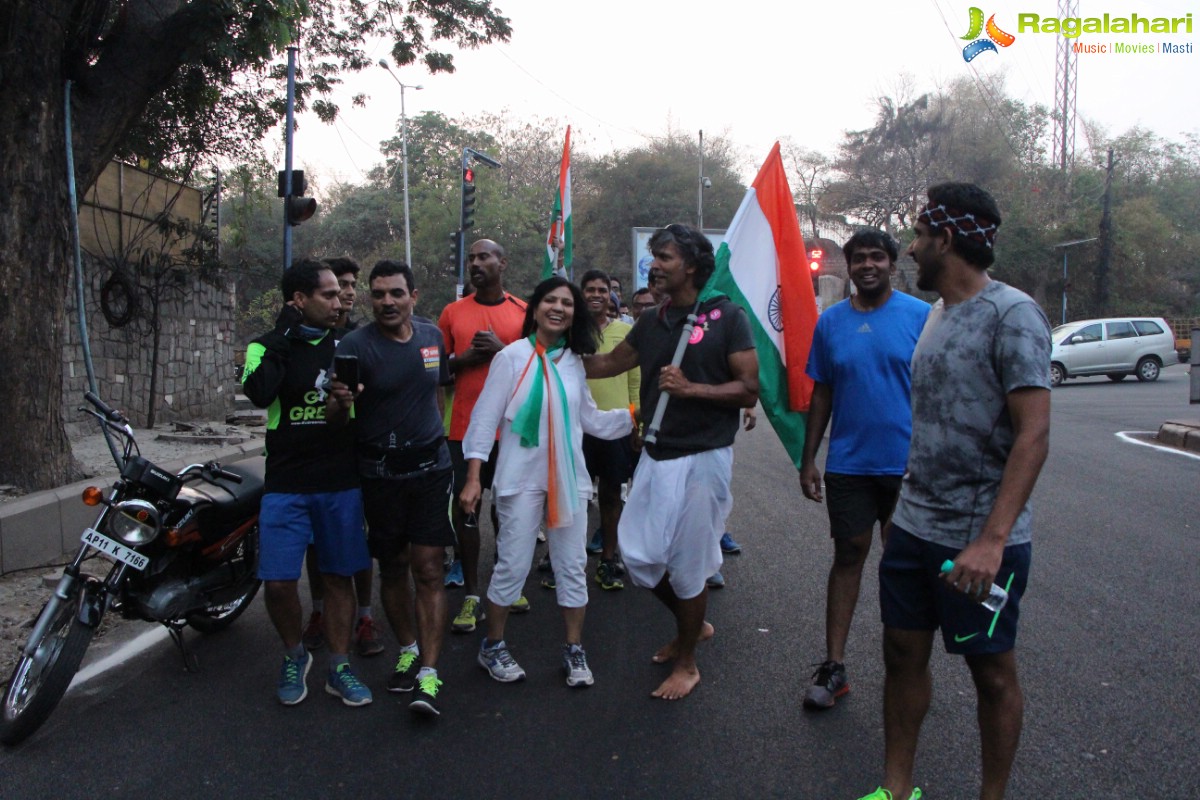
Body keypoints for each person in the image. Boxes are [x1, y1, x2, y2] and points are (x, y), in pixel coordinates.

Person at [857, 183, 1051, 800]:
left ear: (945, 238)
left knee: (992, 675)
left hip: (979, 544)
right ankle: (896, 790)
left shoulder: (1012, 314)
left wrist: (992, 542)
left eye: (917, 236)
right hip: (914, 530)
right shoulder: (936, 313)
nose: (910, 249)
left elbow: (1034, 435)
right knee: (900, 656)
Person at [585, 223, 759, 700]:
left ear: (693, 265)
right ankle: (693, 623)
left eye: (664, 257)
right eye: (654, 257)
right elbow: (606, 364)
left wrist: (691, 389)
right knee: (639, 556)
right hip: (657, 456)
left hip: (704, 457)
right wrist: (545, 348)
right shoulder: (653, 320)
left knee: (689, 563)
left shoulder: (728, 317)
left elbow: (748, 388)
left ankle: (687, 662)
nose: (654, 265)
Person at [460, 277, 633, 686]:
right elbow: (484, 421)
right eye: (551, 301)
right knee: (513, 566)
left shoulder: (575, 361)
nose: (559, 308)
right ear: (535, 308)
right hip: (520, 480)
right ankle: (493, 646)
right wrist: (472, 478)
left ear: (575, 314)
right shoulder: (511, 358)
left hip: (569, 481)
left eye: (567, 303)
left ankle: (574, 650)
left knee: (573, 567)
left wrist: (632, 417)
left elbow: (589, 419)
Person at [798, 230, 930, 710]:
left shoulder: (921, 317)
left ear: (892, 265)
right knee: (848, 554)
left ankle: (908, 667)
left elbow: (936, 393)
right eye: (859, 258)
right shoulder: (831, 323)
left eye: (877, 257)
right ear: (847, 266)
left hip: (908, 466)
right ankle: (834, 667)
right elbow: (823, 394)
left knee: (902, 564)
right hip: (850, 464)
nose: (868, 265)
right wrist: (809, 458)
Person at [241, 260, 373, 707]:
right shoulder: (264, 347)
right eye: (329, 295)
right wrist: (286, 336)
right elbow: (259, 392)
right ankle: (294, 655)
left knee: (338, 578)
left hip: (338, 481)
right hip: (286, 482)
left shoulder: (350, 344)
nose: (340, 303)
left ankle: (339, 665)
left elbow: (362, 409)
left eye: (341, 294)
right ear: (299, 300)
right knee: (278, 583)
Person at [327, 260, 455, 717]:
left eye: (395, 293)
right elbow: (333, 417)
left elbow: (437, 393)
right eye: (378, 294)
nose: (386, 302)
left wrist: (435, 440)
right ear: (368, 298)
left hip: (429, 470)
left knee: (429, 568)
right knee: (395, 567)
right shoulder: (353, 347)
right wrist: (340, 404)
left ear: (413, 297)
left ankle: (430, 674)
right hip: (379, 474)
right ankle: (407, 648)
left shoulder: (431, 338)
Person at [438, 239, 530, 633]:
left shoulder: (523, 312)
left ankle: (506, 583)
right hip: (463, 429)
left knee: (507, 509)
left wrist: (502, 350)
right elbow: (436, 368)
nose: (475, 263)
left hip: (511, 430)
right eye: (471, 258)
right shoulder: (452, 313)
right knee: (467, 511)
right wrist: (464, 360)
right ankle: (472, 593)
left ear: (502, 262)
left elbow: (535, 367)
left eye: (484, 257)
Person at [301, 256, 383, 657]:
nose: (347, 293)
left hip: (358, 454)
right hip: (312, 457)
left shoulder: (363, 339)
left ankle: (365, 616)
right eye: (337, 287)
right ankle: (319, 611)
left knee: (361, 540)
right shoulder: (298, 339)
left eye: (351, 285)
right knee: (316, 544)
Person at [578, 269, 640, 591]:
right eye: (589, 289)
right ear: (581, 293)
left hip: (616, 425)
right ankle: (563, 557)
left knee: (611, 493)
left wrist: (634, 421)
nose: (596, 295)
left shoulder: (625, 332)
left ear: (610, 295)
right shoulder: (571, 332)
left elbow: (634, 380)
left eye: (602, 289)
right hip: (576, 426)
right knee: (571, 495)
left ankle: (608, 557)